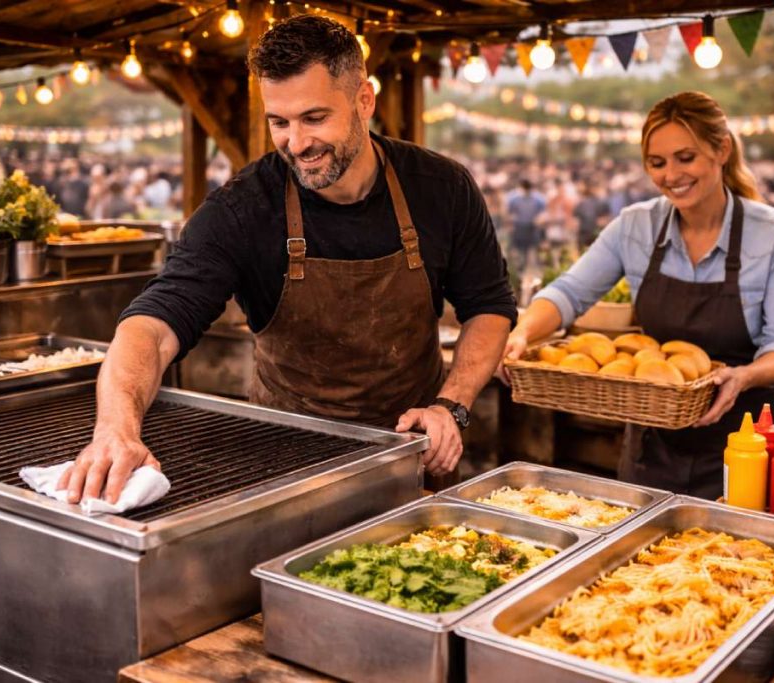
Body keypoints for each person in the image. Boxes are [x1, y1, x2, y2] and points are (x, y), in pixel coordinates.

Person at [60, 15, 515, 505]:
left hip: (412, 452)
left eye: (314, 118)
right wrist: (115, 429)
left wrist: (451, 407)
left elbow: (489, 306)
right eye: (280, 122)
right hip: (286, 463)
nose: (296, 144)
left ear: (365, 100)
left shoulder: (441, 189)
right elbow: (151, 325)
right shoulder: (241, 209)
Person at [500, 91, 774, 498]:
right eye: (657, 163)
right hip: (655, 443)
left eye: (686, 157)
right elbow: (569, 293)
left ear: (721, 150)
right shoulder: (636, 227)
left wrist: (744, 376)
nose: (671, 175)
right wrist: (523, 333)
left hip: (752, 440)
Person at [506, 179, 546, 276]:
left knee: (535, 249)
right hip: (519, 226)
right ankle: (521, 271)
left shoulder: (538, 198)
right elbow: (509, 212)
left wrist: (539, 219)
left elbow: (543, 212)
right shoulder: (514, 198)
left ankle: (537, 271)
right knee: (521, 250)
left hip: (533, 226)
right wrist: (510, 224)